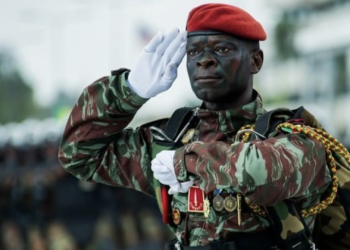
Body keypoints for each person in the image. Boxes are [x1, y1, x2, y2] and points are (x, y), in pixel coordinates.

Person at [58, 3, 332, 250]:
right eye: (194, 52)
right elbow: (78, 154)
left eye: (222, 49)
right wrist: (130, 91)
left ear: (255, 61)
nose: (204, 60)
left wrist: (185, 161)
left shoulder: (293, 136)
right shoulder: (170, 139)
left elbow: (261, 172)